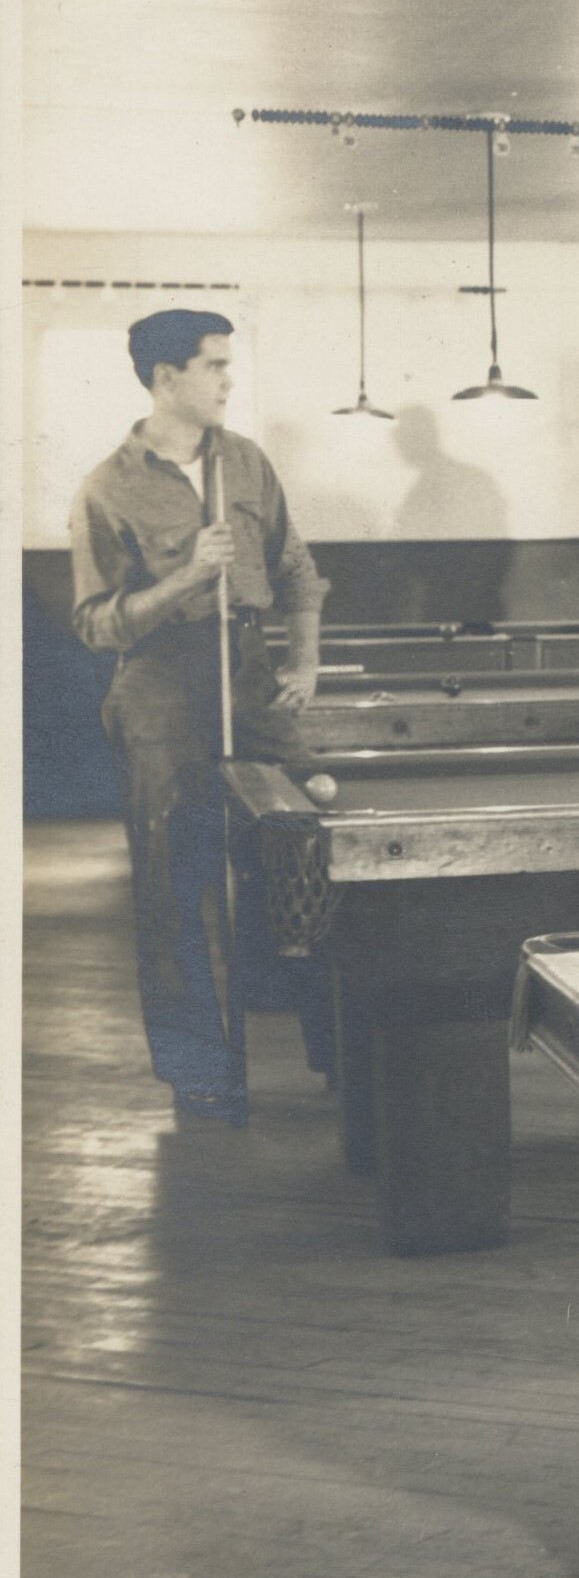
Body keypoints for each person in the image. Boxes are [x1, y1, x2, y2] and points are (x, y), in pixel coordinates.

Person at [68, 310, 331, 1123]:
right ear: (165, 378)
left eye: (228, 364)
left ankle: (334, 1044)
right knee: (176, 881)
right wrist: (187, 577)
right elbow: (96, 622)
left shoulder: (245, 460)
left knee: (308, 845)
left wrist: (305, 659)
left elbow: (296, 568)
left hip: (247, 672)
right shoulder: (108, 484)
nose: (228, 379)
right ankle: (200, 1070)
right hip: (160, 682)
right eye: (213, 365)